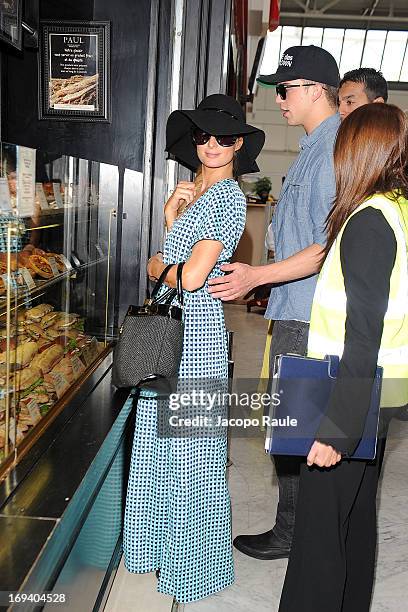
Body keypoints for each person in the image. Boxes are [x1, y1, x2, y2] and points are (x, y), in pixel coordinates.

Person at [123, 94, 265, 604]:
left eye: (223, 137)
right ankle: (165, 552)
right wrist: (169, 220)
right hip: (176, 325)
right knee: (167, 442)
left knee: (189, 452)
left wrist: (154, 264)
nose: (211, 145)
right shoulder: (194, 193)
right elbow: (178, 259)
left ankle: (192, 569)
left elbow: (192, 275)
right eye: (203, 136)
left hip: (194, 333)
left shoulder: (227, 197)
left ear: (239, 145)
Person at [210, 45, 340, 561]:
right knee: (290, 429)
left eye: (285, 90)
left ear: (313, 89)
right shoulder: (313, 147)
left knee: (300, 433)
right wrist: (267, 280)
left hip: (309, 316)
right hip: (291, 305)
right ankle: (296, 528)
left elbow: (327, 245)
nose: (280, 100)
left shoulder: (332, 152)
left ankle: (295, 533)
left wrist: (259, 274)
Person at [279, 102, 408, 612]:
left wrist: (336, 428)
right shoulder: (397, 209)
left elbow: (363, 335)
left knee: (318, 538)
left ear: (356, 152)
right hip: (377, 394)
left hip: (347, 396)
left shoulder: (368, 222)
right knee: (353, 524)